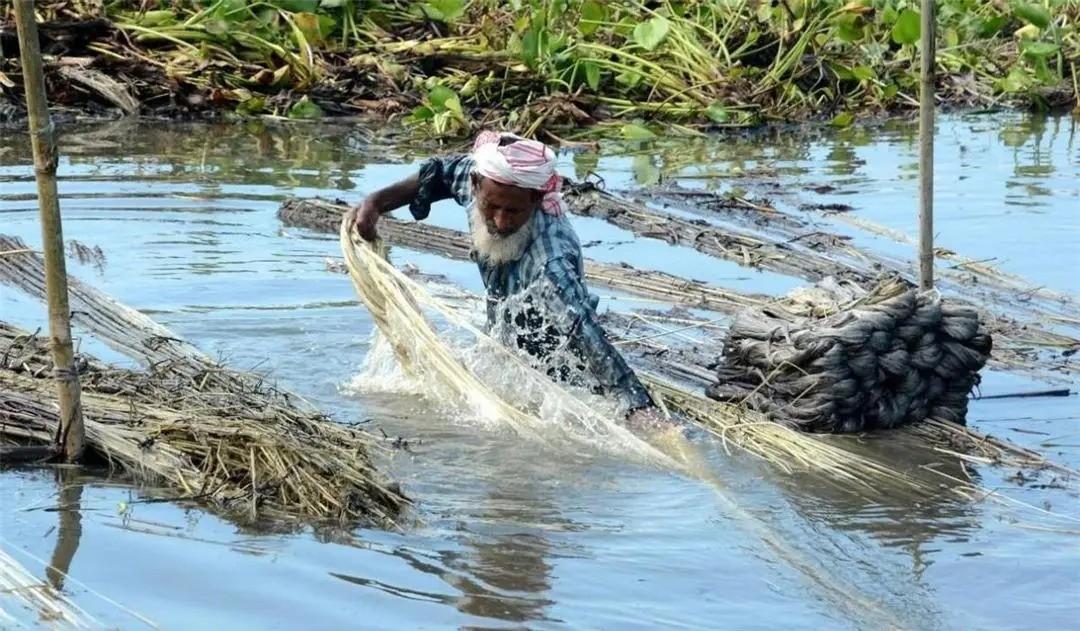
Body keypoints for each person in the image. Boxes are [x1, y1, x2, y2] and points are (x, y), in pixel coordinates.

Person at [351, 131, 667, 429]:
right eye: (492, 207)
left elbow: (583, 331)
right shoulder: (479, 180)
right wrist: (377, 203)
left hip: (556, 363)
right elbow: (443, 173)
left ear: (536, 199)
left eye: (514, 211)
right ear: (476, 187)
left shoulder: (550, 262)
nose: (501, 222)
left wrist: (638, 407)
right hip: (502, 335)